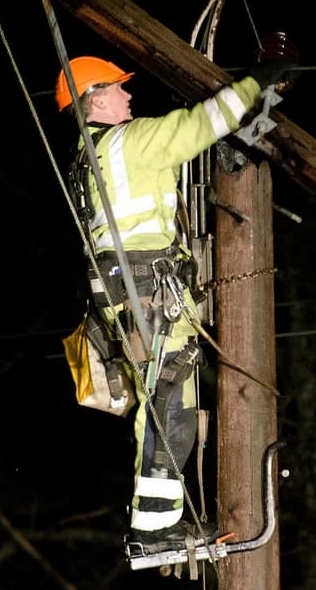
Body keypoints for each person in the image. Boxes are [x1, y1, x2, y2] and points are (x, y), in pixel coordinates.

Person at [55, 55, 293, 558]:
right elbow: (196, 126)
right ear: (95, 99)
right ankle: (156, 530)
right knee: (172, 404)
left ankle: (153, 524)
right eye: (119, 89)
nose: (129, 96)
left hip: (130, 293)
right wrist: (256, 83)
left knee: (161, 400)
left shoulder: (88, 156)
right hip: (149, 293)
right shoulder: (127, 142)